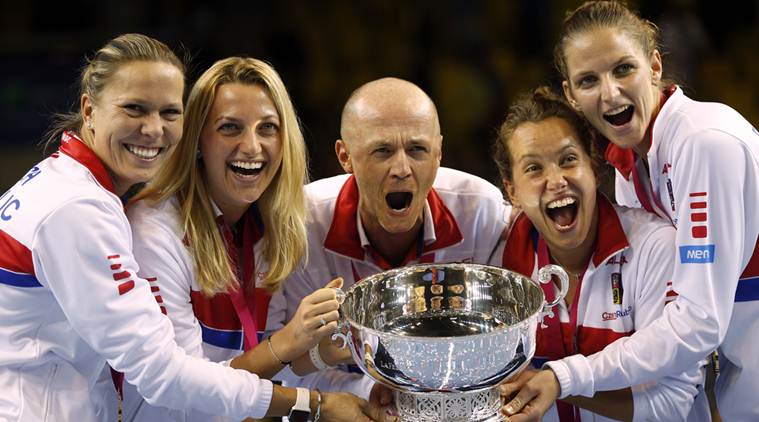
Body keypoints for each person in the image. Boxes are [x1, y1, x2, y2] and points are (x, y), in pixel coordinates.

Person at [0, 34, 376, 422]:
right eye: (134, 108)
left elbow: (235, 376)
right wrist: (313, 404)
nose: (153, 129)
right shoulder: (86, 212)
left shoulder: (71, 188)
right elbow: (168, 382)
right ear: (89, 110)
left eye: (169, 113)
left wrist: (320, 362)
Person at [501, 2, 759, 421]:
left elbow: (698, 322)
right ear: (571, 95)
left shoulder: (704, 143)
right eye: (589, 80)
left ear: (655, 66)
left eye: (623, 69)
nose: (610, 93)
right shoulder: (629, 167)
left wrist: (565, 376)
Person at [122, 56, 389, 421]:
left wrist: (323, 354)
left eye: (268, 128)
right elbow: (186, 396)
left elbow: (264, 375)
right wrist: (311, 394)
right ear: (197, 140)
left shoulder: (270, 230)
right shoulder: (154, 232)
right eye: (230, 127)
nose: (251, 146)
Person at [266, 77, 511, 399]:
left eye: (417, 149)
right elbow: (284, 367)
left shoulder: (481, 212)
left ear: (439, 152)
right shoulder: (301, 225)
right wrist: (369, 395)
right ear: (345, 156)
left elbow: (503, 345)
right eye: (382, 150)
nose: (401, 168)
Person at [491, 87, 701, 421]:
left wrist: (559, 384)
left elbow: (673, 404)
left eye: (568, 159)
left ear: (594, 166)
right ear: (512, 190)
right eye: (533, 169)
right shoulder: (499, 262)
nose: (556, 181)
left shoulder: (654, 247)